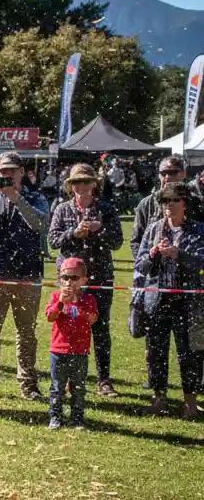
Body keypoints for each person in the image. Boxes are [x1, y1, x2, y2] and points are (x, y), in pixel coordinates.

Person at [0, 151, 50, 402]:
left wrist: (17, 199)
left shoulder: (36, 197)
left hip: (28, 276)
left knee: (26, 333)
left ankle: (28, 384)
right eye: (3, 171)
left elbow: (40, 224)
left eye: (12, 170)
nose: (7, 175)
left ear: (22, 172)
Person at [48, 163, 124, 397]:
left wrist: (99, 229)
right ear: (70, 186)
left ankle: (103, 380)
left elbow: (118, 242)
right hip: (70, 279)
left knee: (100, 328)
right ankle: (71, 379)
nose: (80, 186)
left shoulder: (106, 210)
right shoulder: (62, 208)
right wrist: (74, 233)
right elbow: (52, 240)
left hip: (99, 277)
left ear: (94, 184)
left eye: (84, 182)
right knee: (69, 326)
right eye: (75, 183)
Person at [134, 182, 204, 419]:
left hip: (188, 302)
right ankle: (159, 398)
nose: (167, 206)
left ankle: (191, 403)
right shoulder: (154, 229)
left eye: (172, 200)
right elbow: (140, 264)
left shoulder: (199, 230)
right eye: (164, 201)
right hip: (157, 300)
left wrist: (179, 254)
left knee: (190, 354)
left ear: (184, 202)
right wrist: (153, 253)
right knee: (156, 352)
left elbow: (202, 263)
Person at [44, 258, 98, 430]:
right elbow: (50, 317)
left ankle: (77, 418)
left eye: (74, 278)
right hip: (58, 350)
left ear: (84, 280)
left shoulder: (88, 299)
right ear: (60, 279)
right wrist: (61, 302)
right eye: (65, 277)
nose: (69, 282)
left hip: (80, 351)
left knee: (78, 388)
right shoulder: (55, 297)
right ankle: (56, 417)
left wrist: (76, 303)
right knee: (57, 387)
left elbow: (92, 319)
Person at [130, 156, 197, 257]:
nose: (167, 177)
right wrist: (145, 265)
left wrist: (184, 258)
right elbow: (136, 242)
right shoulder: (146, 204)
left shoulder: (194, 201)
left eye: (172, 173)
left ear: (183, 174)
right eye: (163, 173)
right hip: (154, 267)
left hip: (186, 266)